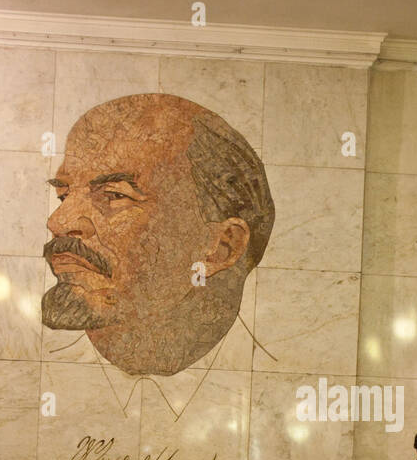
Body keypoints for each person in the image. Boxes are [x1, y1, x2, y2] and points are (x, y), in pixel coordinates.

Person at [42, 94, 275, 381]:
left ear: (223, 246)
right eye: (64, 195)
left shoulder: (272, 377)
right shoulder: (36, 374)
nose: (57, 221)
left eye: (114, 196)